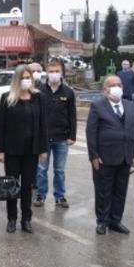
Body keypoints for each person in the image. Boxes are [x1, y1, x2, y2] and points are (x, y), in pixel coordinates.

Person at [0, 64, 48, 233]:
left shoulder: (38, 98)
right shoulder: (7, 98)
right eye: (23, 78)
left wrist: (43, 148)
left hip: (31, 150)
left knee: (27, 186)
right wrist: (0, 151)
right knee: (12, 185)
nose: (26, 80)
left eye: (28, 77)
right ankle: (12, 218)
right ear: (17, 80)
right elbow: (0, 126)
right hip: (12, 149)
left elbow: (43, 125)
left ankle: (26, 219)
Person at [86, 75, 134, 235]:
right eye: (112, 85)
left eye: (119, 84)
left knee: (120, 191)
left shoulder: (130, 105)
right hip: (104, 157)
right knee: (103, 191)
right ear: (105, 90)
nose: (117, 87)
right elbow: (91, 132)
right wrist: (93, 155)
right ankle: (102, 221)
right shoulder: (97, 106)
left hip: (125, 156)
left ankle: (115, 221)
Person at [35, 59, 77, 209]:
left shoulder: (68, 92)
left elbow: (72, 115)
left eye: (57, 71)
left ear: (62, 73)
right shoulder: (39, 90)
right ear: (46, 73)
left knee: (59, 170)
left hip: (61, 138)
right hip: (43, 138)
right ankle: (41, 195)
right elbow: (35, 115)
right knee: (41, 170)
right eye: (51, 71)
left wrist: (72, 136)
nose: (54, 74)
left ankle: (60, 196)